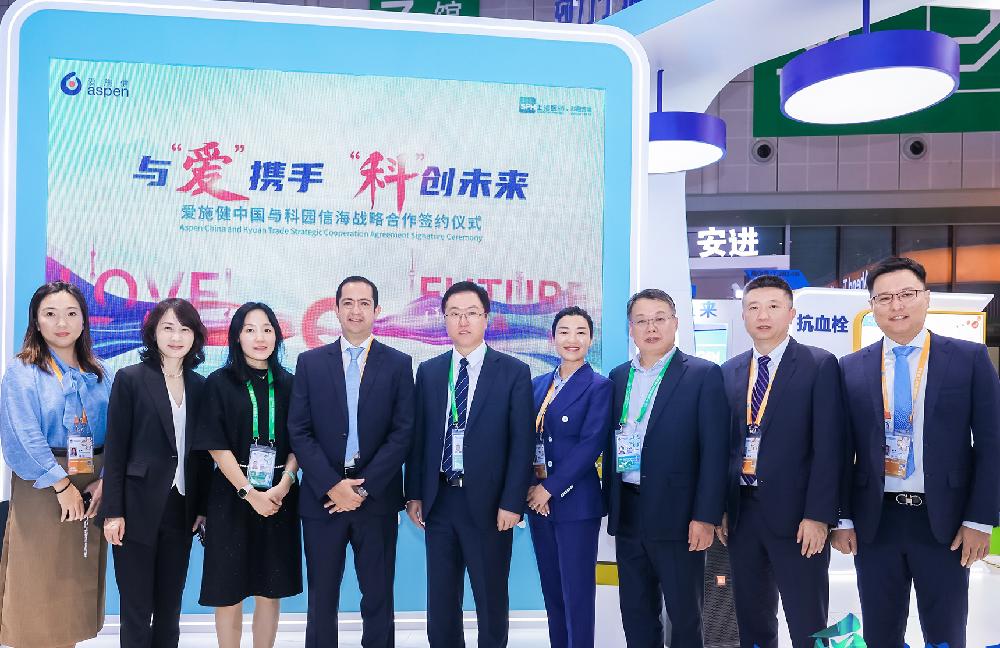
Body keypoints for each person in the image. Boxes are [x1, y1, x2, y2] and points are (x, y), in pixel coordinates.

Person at [831, 257, 1000, 648]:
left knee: (945, 632)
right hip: (876, 522)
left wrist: (980, 520)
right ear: (872, 306)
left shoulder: (969, 359)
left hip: (945, 522)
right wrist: (842, 516)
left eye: (907, 294)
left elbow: (992, 443)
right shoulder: (850, 367)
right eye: (884, 297)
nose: (897, 305)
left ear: (926, 297)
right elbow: (840, 450)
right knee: (880, 632)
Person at [715, 275, 844, 648]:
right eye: (753, 307)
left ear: (791, 314)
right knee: (752, 619)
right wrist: (722, 508)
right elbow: (724, 447)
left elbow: (830, 446)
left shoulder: (819, 364)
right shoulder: (729, 371)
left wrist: (819, 515)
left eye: (773, 306)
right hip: (742, 515)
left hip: (798, 519)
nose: (763, 315)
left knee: (808, 620)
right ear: (743, 315)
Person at [405, 281, 534, 648]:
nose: (463, 321)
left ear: (486, 318)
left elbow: (522, 443)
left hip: (491, 504)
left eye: (472, 313)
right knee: (441, 599)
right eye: (455, 314)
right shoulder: (429, 372)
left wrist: (512, 502)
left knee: (490, 597)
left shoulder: (513, 371)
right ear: (444, 319)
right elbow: (419, 439)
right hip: (440, 500)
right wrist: (414, 494)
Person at [288, 276, 415, 648]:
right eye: (348, 303)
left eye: (364, 303)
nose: (355, 311)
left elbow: (402, 433)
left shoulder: (398, 363)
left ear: (377, 310)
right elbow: (299, 430)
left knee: (378, 595)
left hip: (376, 499)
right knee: (321, 597)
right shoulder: (310, 363)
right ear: (336, 309)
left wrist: (364, 487)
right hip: (322, 498)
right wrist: (332, 485)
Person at [602, 288, 729, 648]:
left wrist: (705, 516)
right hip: (629, 512)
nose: (651, 328)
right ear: (631, 328)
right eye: (641, 321)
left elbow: (715, 452)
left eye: (659, 319)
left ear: (675, 323)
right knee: (636, 614)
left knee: (685, 616)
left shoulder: (702, 374)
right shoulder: (618, 377)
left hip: (680, 518)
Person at [0, 281, 113, 648]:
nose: (61, 323)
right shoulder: (22, 372)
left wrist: (105, 480)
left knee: (75, 576)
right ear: (36, 320)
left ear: (84, 320)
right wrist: (62, 486)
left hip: (92, 482)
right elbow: (23, 436)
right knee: (37, 575)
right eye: (50, 314)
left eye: (71, 313)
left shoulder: (100, 372)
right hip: (43, 485)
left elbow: (120, 431)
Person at [101, 298, 212, 648]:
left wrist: (202, 508)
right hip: (135, 507)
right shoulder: (130, 379)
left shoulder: (200, 385)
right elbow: (116, 451)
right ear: (153, 333)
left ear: (195, 336)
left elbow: (202, 456)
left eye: (184, 329)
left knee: (170, 607)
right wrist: (113, 512)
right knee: (136, 608)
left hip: (182, 509)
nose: (176, 337)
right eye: (168, 328)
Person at [195, 302, 302, 648]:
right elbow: (216, 445)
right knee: (228, 589)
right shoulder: (219, 382)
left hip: (278, 496)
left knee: (270, 588)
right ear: (237, 337)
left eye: (267, 329)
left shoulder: (290, 384)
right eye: (250, 329)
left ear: (277, 336)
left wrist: (283, 485)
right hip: (231, 495)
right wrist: (248, 493)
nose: (260, 337)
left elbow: (300, 442)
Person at [525, 306, 612, 648]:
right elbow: (525, 440)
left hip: (574, 502)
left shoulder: (599, 386)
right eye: (564, 331)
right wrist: (531, 487)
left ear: (591, 339)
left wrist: (549, 488)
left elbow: (591, 444)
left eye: (580, 332)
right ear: (553, 338)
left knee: (577, 594)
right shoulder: (537, 385)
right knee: (553, 591)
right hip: (538, 502)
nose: (571, 339)